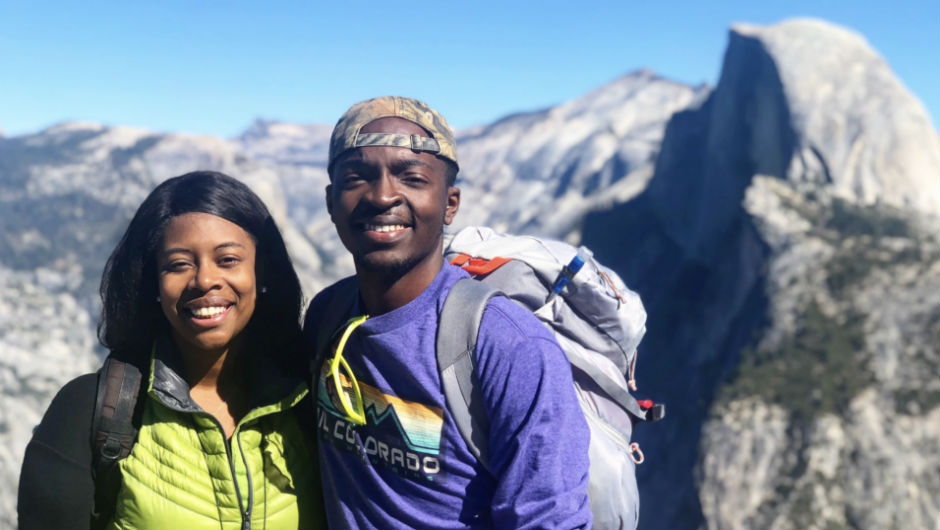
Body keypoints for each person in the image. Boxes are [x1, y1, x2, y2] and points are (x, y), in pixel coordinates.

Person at [304, 96, 592, 530]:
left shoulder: (510, 348)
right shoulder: (328, 314)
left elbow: (549, 520)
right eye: (357, 177)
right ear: (331, 202)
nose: (382, 195)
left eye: (412, 178)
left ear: (450, 204)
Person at [18, 171, 324, 530]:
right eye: (179, 265)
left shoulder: (311, 400)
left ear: (263, 273)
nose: (205, 280)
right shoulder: (90, 411)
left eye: (227, 260)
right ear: (153, 284)